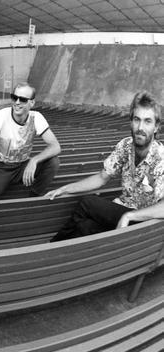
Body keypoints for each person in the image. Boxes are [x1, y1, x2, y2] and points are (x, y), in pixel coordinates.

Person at [48, 91, 164, 241]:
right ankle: (59, 256)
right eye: (136, 119)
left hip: (144, 222)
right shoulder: (125, 146)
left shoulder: (161, 158)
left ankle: (52, 246)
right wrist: (65, 188)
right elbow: (102, 177)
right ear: (130, 121)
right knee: (84, 227)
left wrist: (129, 215)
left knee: (87, 202)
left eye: (147, 121)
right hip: (123, 212)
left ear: (156, 127)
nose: (140, 127)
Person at [0, 82, 61, 201]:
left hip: (23, 165)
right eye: (14, 97)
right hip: (1, 168)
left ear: (32, 103)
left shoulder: (36, 117)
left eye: (22, 99)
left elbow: (56, 146)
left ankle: (34, 195)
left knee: (53, 162)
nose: (17, 102)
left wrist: (34, 160)